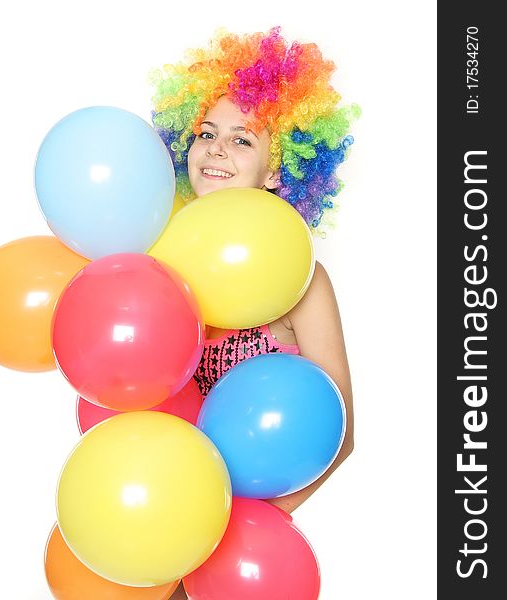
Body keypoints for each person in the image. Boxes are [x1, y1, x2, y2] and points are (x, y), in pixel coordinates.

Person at [149, 27, 358, 598]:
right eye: (207, 133)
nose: (217, 149)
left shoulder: (301, 281)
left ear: (275, 171)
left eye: (243, 140)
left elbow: (342, 432)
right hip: (156, 538)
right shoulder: (161, 268)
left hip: (242, 561)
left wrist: (241, 531)